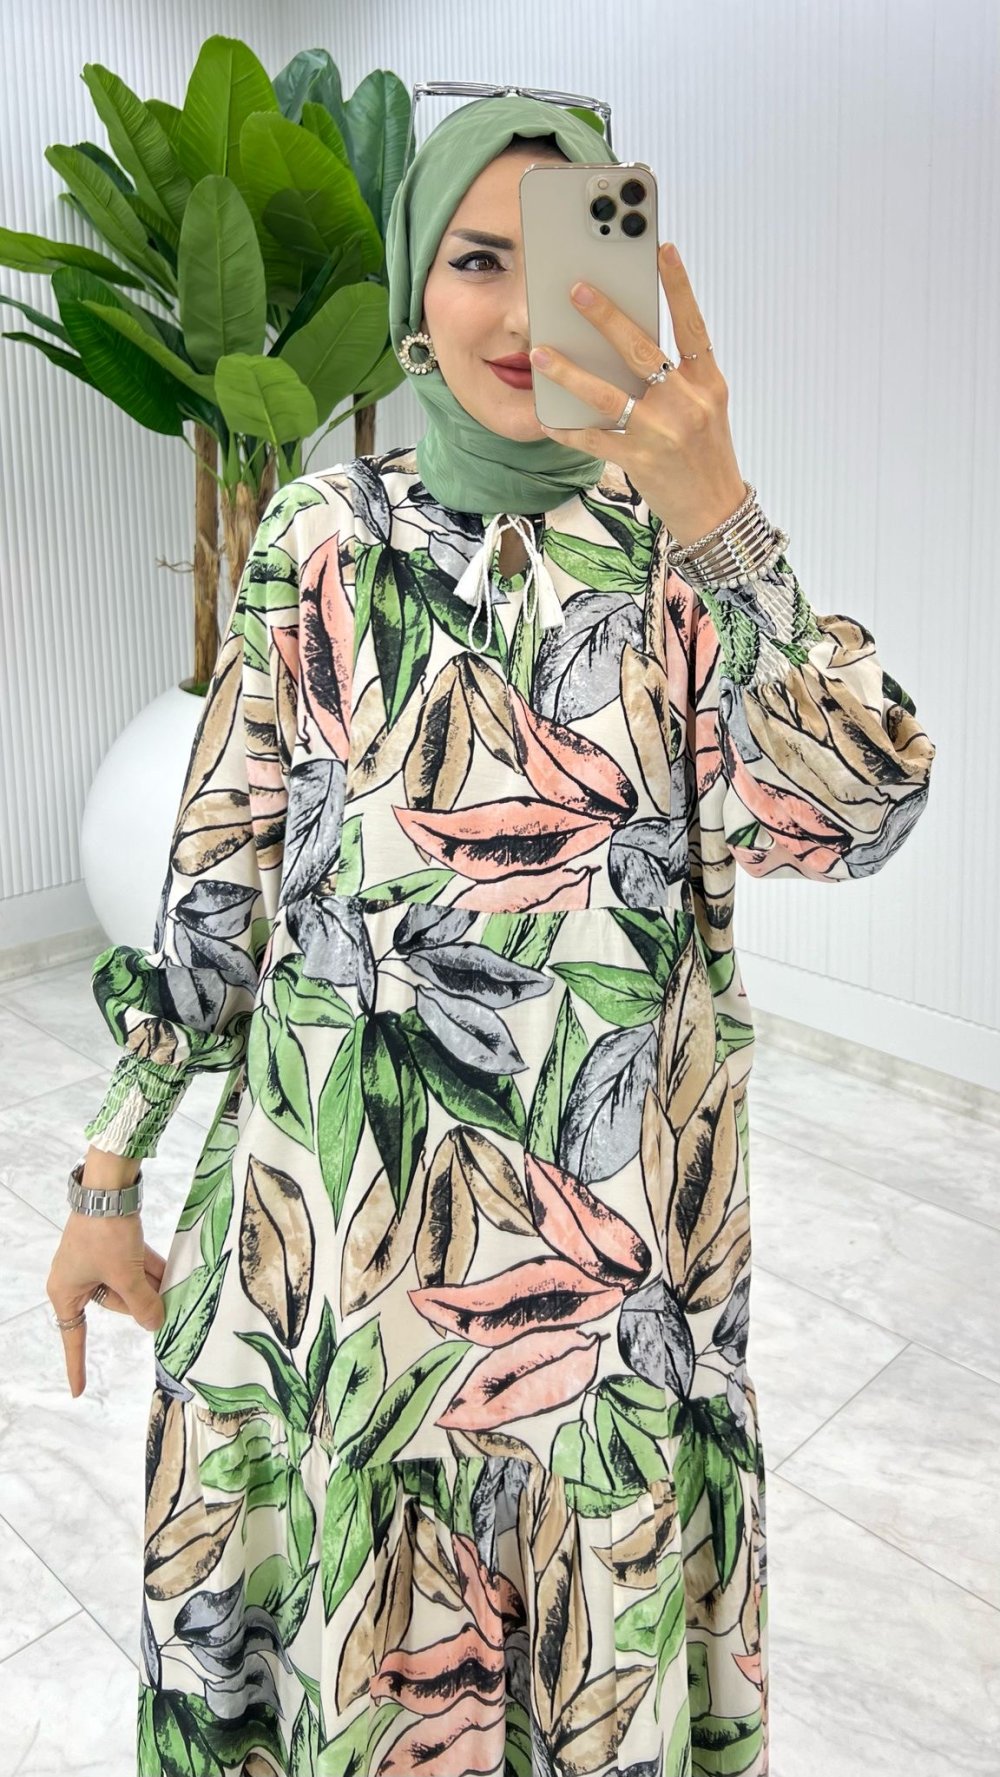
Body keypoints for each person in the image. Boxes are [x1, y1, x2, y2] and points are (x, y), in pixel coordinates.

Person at [47, 94, 936, 1777]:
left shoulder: (682, 572)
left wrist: (728, 519)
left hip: (599, 1306)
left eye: (563, 255)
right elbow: (218, 888)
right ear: (413, 290)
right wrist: (108, 1177)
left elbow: (859, 813)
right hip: (336, 1277)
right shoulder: (318, 540)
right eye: (475, 259)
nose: (524, 313)